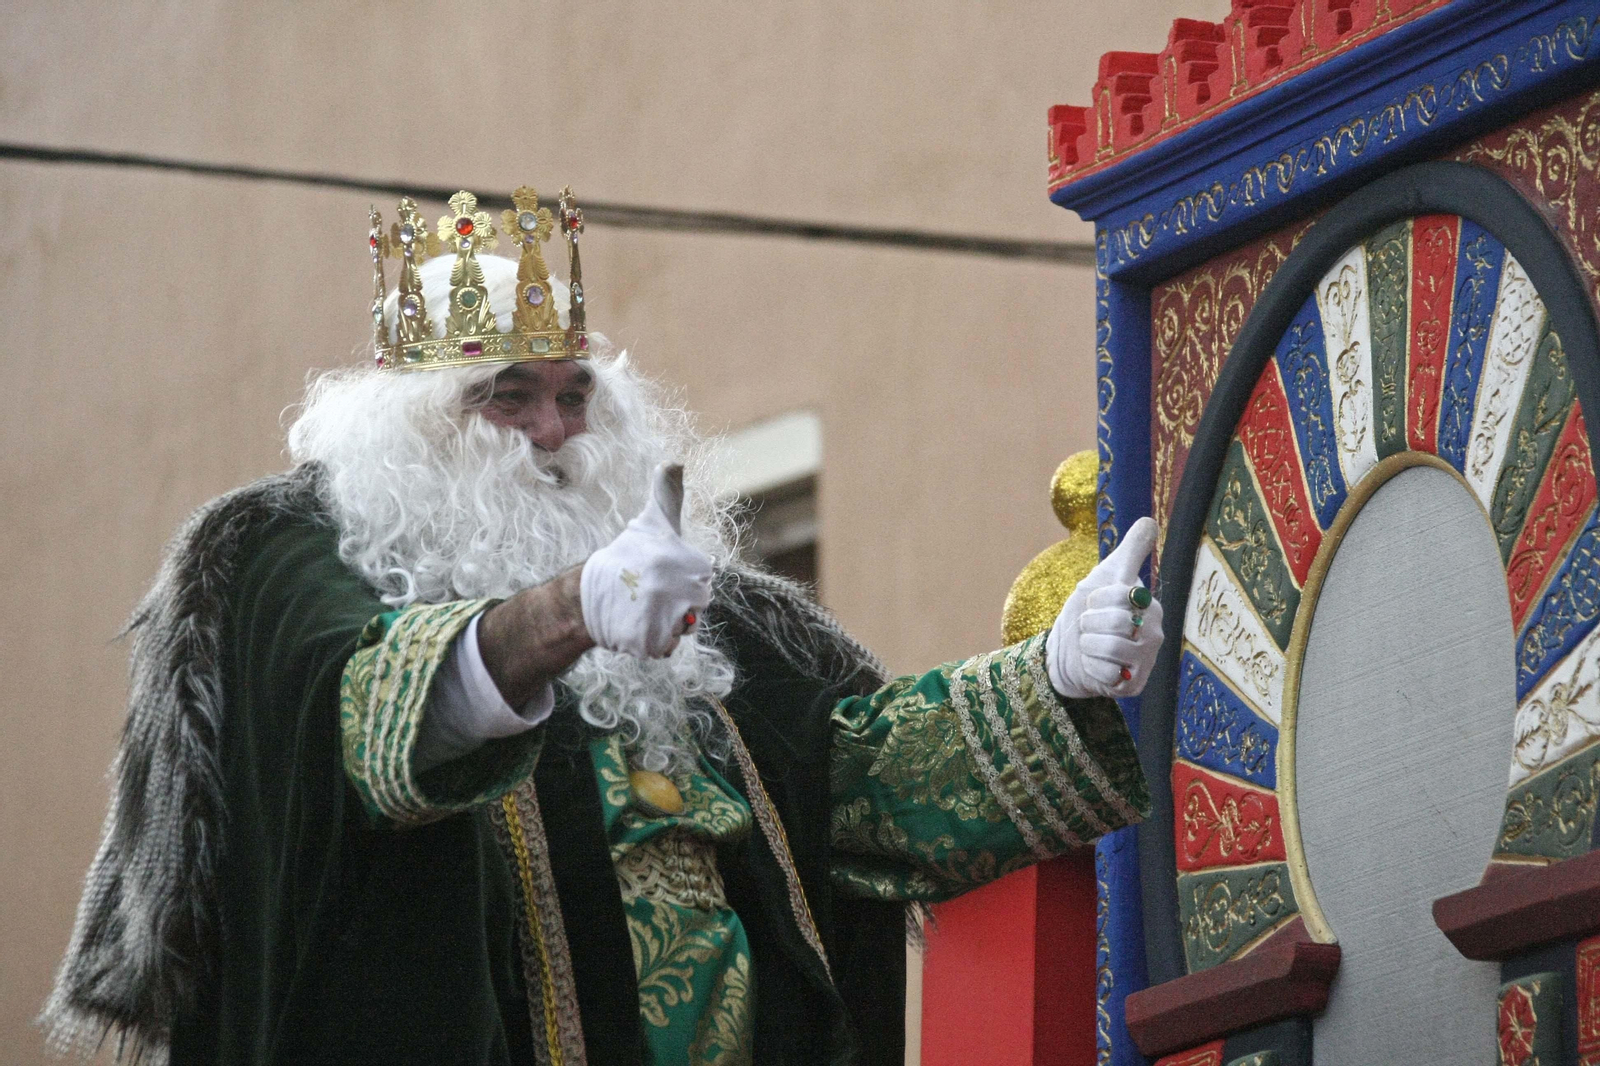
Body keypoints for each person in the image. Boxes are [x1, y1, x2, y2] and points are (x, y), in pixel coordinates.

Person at [43, 186, 1164, 1066]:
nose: (551, 430)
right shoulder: (295, 557)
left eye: (575, 395)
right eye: (507, 395)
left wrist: (1055, 677)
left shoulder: (705, 610)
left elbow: (856, 781)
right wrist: (565, 611)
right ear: (411, 423)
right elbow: (369, 718)